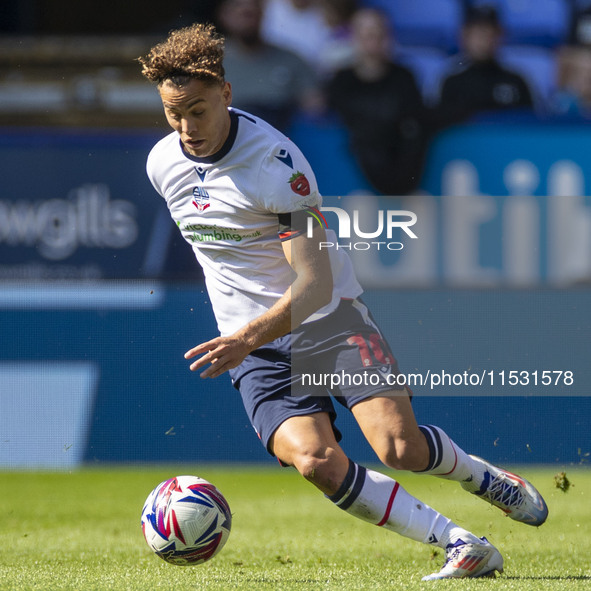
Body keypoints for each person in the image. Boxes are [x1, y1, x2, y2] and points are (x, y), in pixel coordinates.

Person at [138, 22, 548, 580]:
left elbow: (316, 284)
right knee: (315, 461)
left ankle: (485, 478)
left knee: (399, 449)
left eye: (198, 110)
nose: (186, 128)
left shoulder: (277, 166)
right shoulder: (163, 165)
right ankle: (460, 542)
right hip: (255, 348)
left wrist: (244, 337)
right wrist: (248, 336)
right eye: (173, 113)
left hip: (326, 321)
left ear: (227, 95)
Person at [326, 8, 429, 196]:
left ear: (388, 37)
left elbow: (415, 126)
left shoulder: (405, 77)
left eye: (378, 33)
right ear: (354, 38)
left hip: (402, 178)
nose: (372, 40)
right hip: (355, 186)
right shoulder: (341, 81)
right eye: (366, 34)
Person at [215, 0, 324, 132]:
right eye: (241, 13)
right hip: (228, 135)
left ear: (263, 15)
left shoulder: (290, 59)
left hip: (279, 134)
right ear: (224, 16)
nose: (246, 20)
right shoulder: (211, 60)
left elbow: (315, 107)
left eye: (251, 13)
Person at [437, 4, 534, 127]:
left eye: (489, 32)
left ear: (500, 36)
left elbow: (529, 126)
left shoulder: (516, 81)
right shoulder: (451, 83)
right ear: (463, 36)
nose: (483, 39)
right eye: (477, 33)